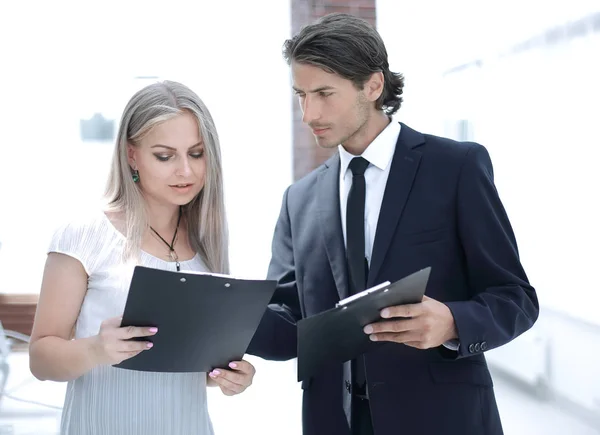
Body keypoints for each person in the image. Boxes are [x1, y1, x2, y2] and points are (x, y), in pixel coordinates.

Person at [247, 13, 539, 435]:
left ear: (373, 85)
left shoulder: (456, 168)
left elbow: (516, 298)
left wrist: (453, 323)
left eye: (324, 94)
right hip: (335, 421)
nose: (308, 114)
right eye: (301, 95)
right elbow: (290, 325)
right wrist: (220, 318)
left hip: (441, 418)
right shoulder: (299, 199)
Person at [29, 80, 256, 435]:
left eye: (196, 153)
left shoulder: (208, 241)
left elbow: (190, 368)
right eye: (165, 156)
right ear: (131, 154)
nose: (185, 170)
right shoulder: (83, 234)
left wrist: (228, 376)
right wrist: (95, 350)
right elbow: (40, 359)